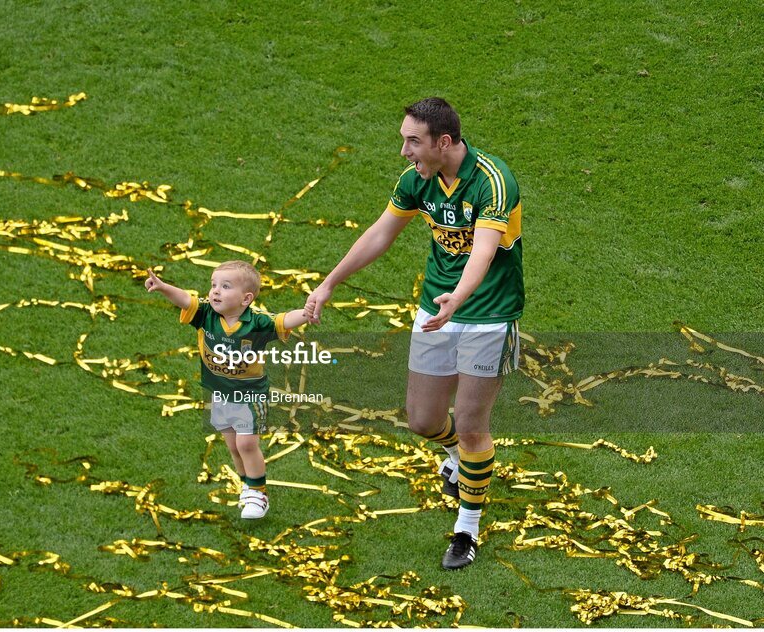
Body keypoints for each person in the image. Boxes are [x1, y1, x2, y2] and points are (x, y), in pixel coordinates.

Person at [303, 97, 523, 569]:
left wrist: (457, 300)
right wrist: (328, 284)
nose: (404, 151)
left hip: (488, 313)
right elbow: (380, 234)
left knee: (470, 424)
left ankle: (467, 528)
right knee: (422, 420)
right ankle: (455, 455)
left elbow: (483, 253)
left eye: (412, 141)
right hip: (435, 310)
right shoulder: (417, 181)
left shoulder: (493, 182)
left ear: (443, 142)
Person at [146, 260, 312, 519]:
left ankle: (259, 494)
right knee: (234, 447)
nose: (215, 291)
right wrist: (163, 286)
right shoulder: (205, 314)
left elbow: (284, 320)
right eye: (213, 285)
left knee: (246, 444)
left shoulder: (256, 323)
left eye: (225, 286)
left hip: (249, 395)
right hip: (220, 394)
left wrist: (307, 313)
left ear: (246, 298)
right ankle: (248, 487)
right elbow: (185, 300)